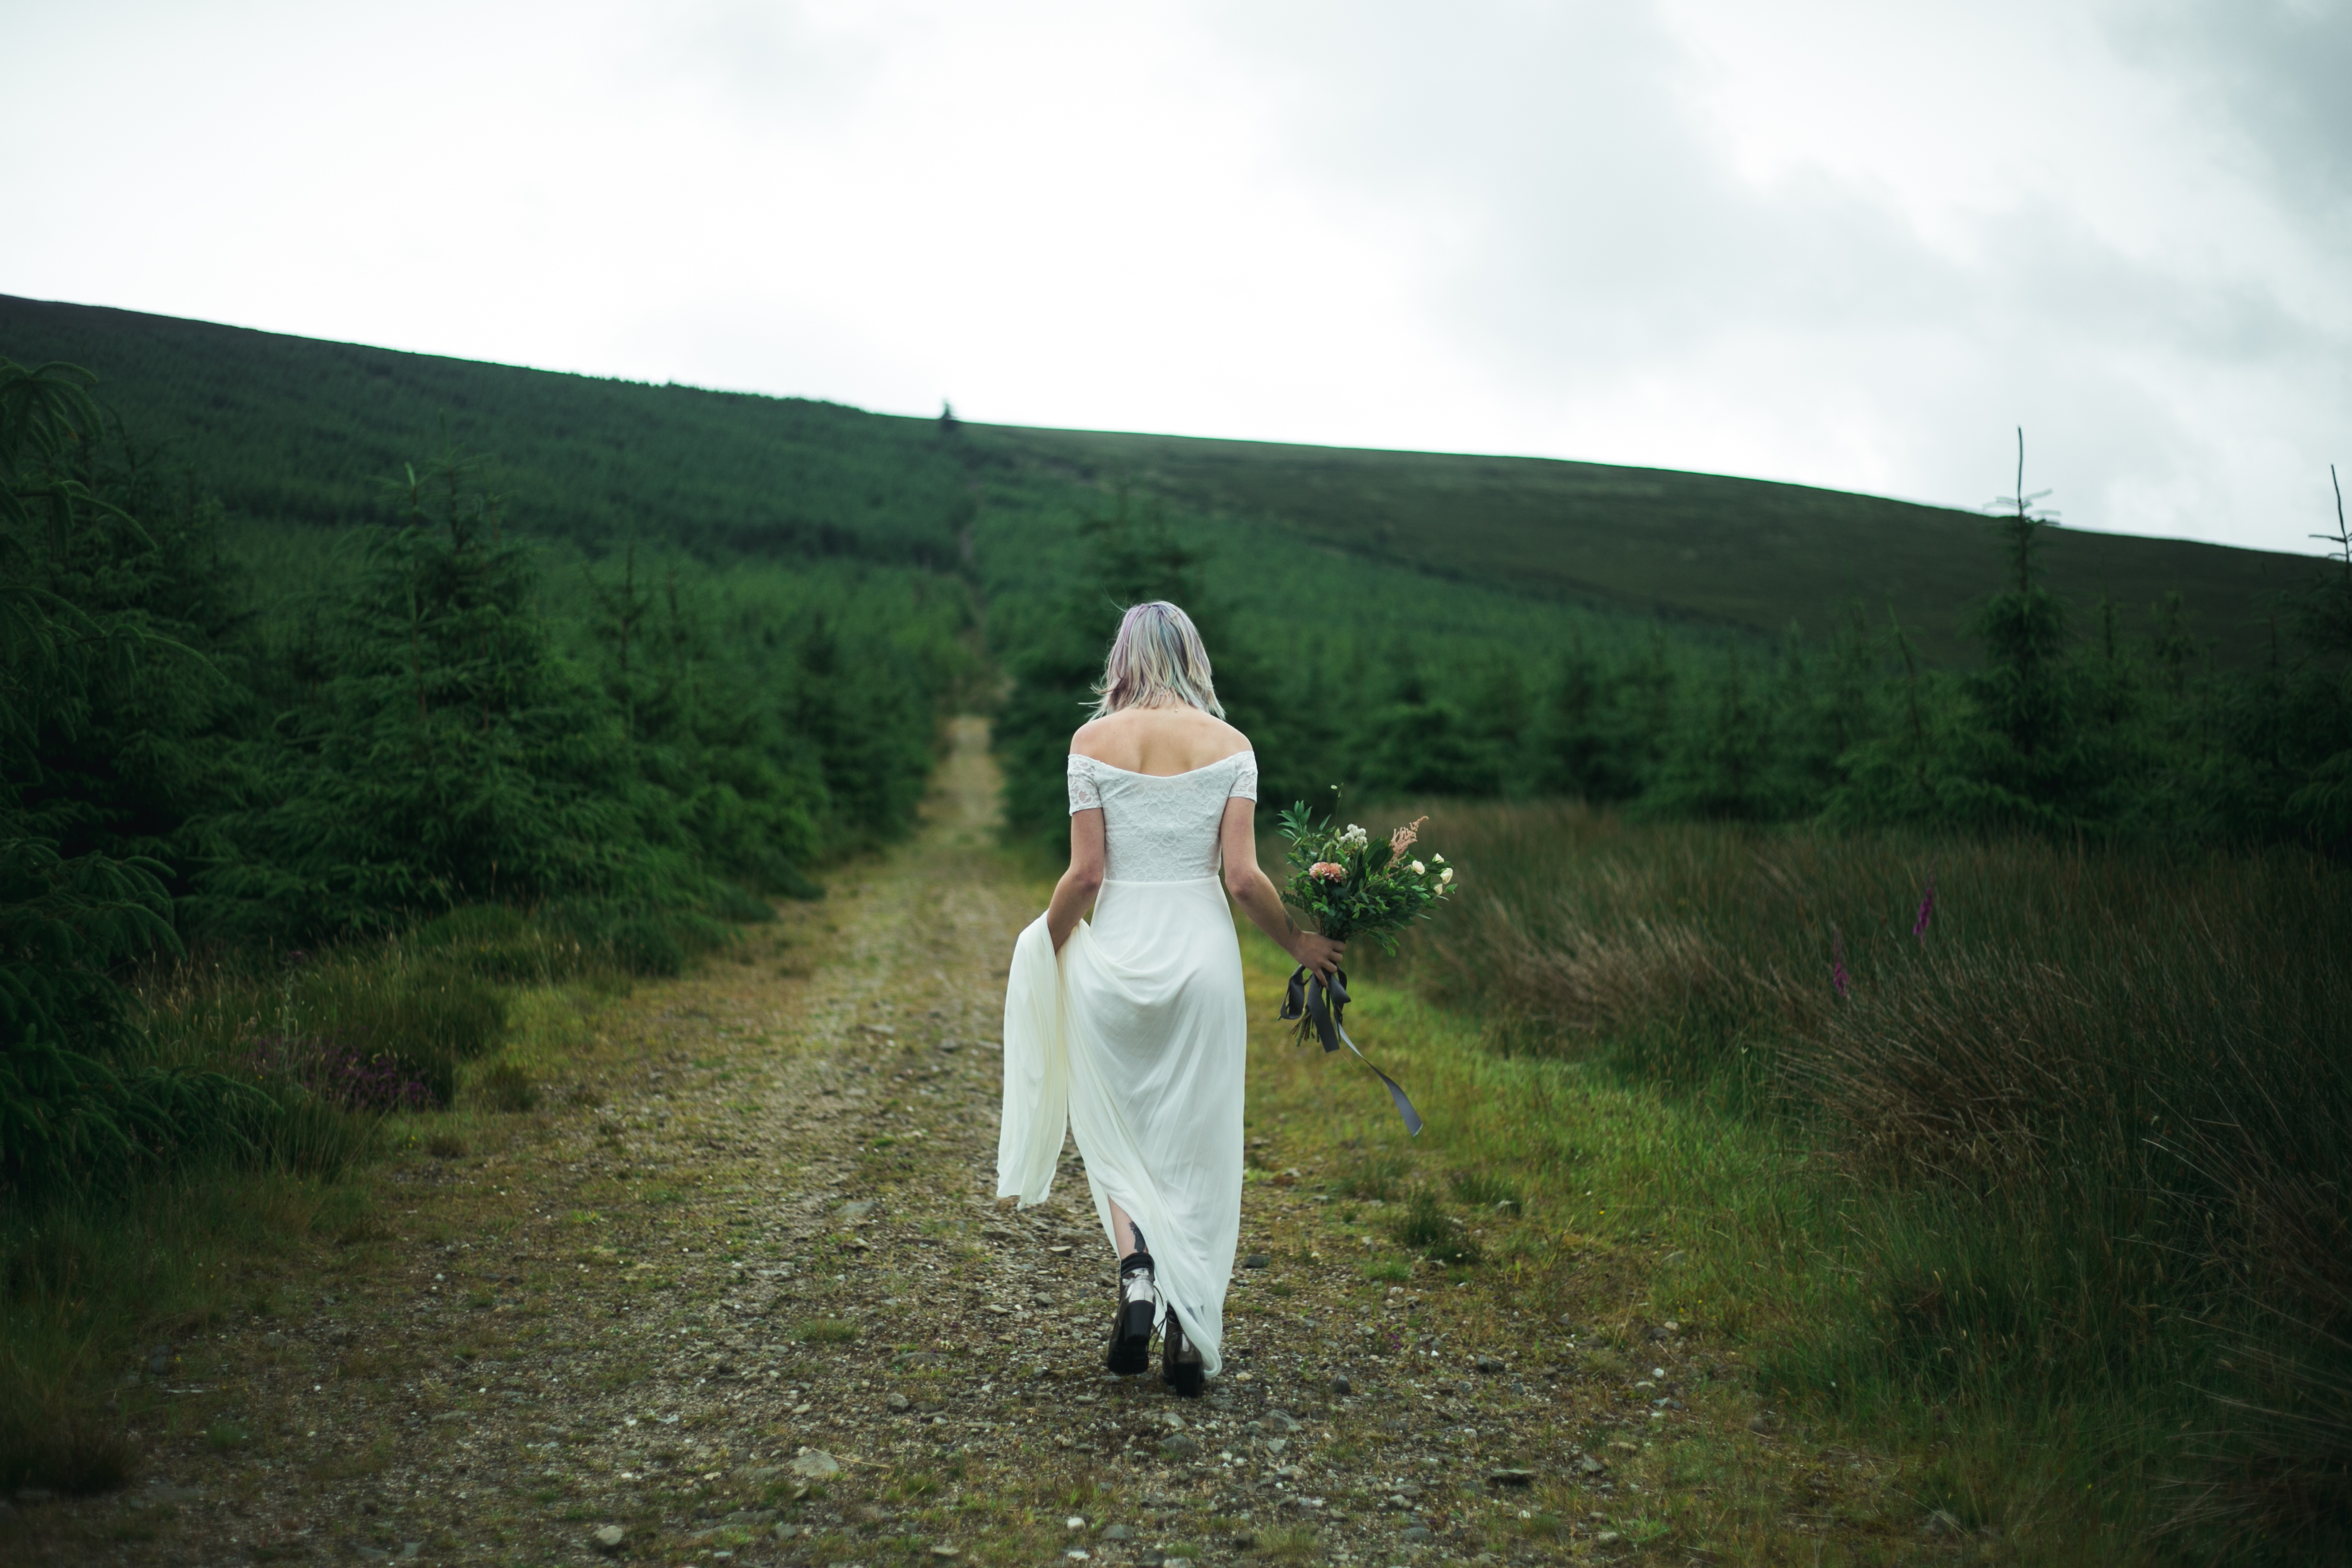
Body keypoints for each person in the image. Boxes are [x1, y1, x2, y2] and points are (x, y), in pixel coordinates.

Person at [996, 602, 1345, 1396]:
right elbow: (1242, 879)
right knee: (1199, 1139)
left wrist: (1042, 947)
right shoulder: (1232, 748)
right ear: (1193, 657)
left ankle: (1140, 1274)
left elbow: (1085, 877)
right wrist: (1299, 945)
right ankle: (1188, 1330)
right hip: (1202, 963)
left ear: (1123, 659)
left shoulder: (1091, 744)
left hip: (1114, 962)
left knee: (1120, 1131)